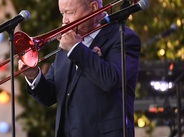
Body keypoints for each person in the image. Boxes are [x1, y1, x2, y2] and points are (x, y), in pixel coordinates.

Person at [18, 0, 142, 136]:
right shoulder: (67, 43)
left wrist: (76, 49)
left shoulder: (123, 37)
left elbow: (111, 80)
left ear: (93, 7)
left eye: (70, 12)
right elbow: (50, 96)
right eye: (62, 13)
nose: (64, 21)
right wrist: (33, 75)